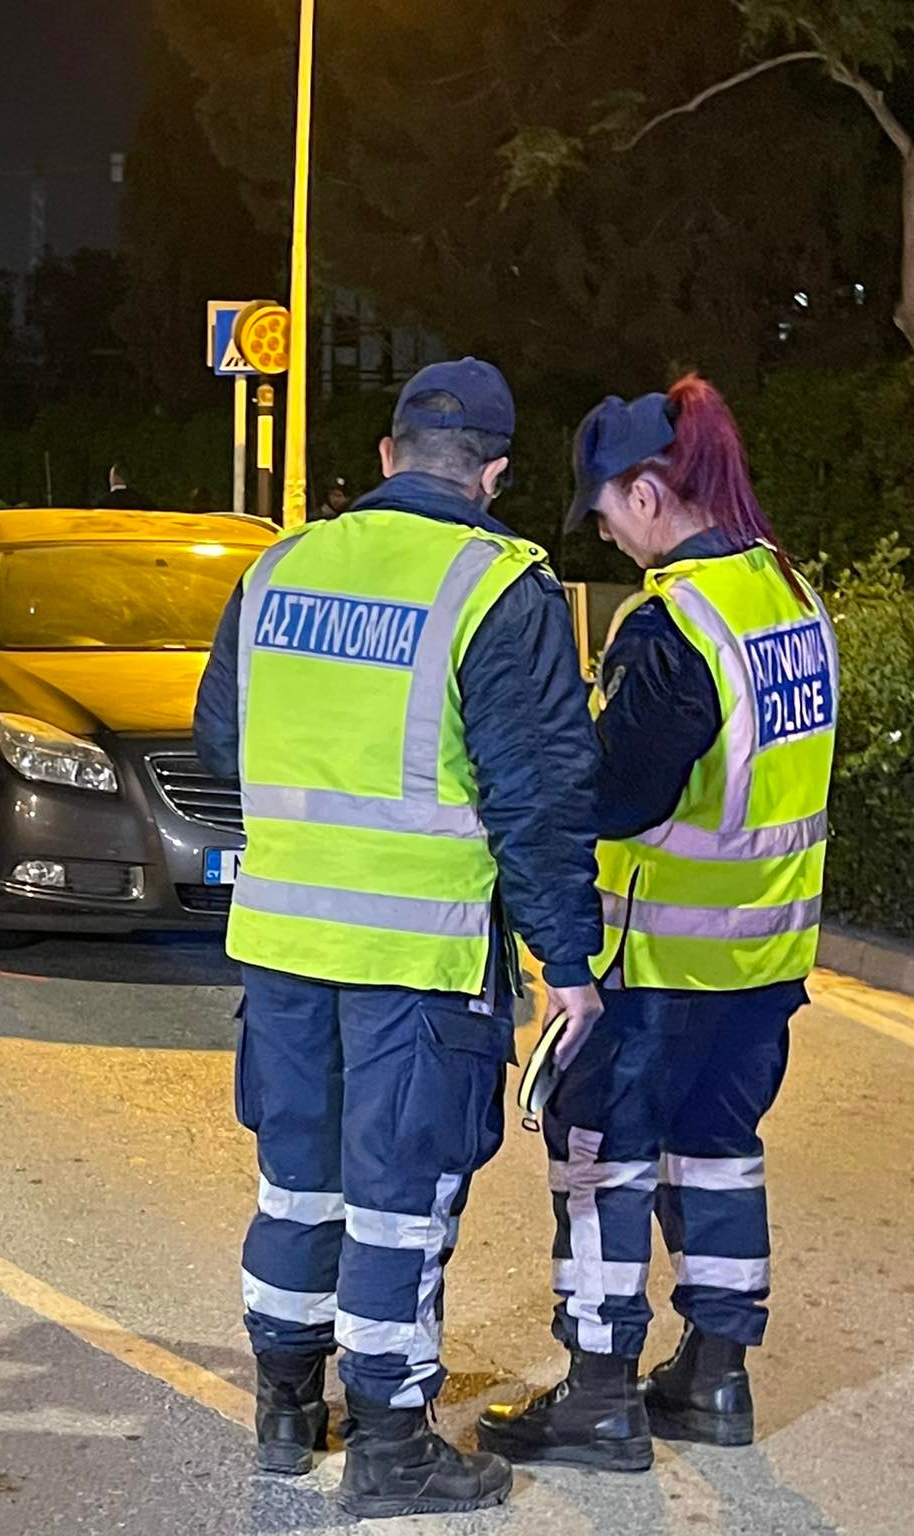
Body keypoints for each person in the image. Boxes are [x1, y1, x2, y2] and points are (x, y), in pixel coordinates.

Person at [193, 358, 604, 1518]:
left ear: (382, 458)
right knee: (395, 1202)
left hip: (279, 944)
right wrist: (565, 963)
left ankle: (283, 1408)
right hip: (414, 962)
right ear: (493, 471)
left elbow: (221, 736)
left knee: (295, 1184)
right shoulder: (496, 586)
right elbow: (538, 797)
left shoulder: (281, 566)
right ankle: (388, 1445)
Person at [476, 376, 837, 1472]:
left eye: (600, 506)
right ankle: (714, 1375)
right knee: (716, 1156)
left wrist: (541, 773)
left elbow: (625, 792)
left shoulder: (671, 622)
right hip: (762, 961)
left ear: (646, 491)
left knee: (599, 1165)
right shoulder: (785, 594)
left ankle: (596, 1394)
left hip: (657, 961)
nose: (598, 528)